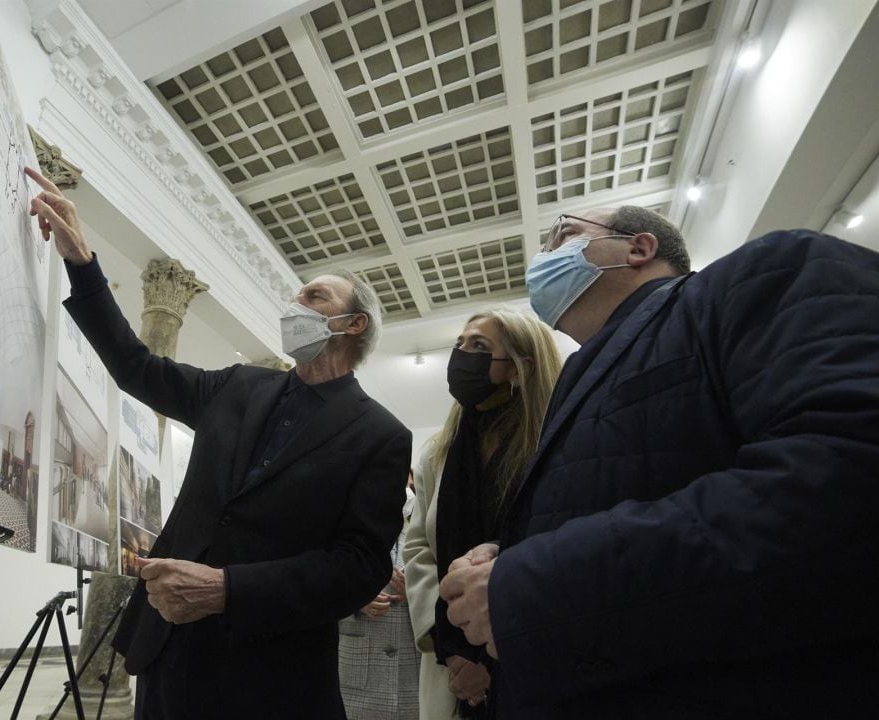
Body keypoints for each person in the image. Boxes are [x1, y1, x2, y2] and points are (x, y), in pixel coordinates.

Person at [440, 207, 879, 718]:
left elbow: (847, 477)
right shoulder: (583, 373)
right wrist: (515, 549)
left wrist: (532, 587)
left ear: (639, 248)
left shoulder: (764, 274)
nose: (543, 258)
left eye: (565, 236)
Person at [25, 166, 412, 719]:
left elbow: (358, 566)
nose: (294, 305)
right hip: (169, 649)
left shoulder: (380, 435)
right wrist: (83, 265)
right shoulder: (238, 386)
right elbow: (137, 367)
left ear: (353, 325)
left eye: (314, 296)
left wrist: (229, 588)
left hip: (270, 671)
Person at [405, 308, 561, 719]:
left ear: (519, 367)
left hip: (528, 646)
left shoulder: (554, 442)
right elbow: (420, 546)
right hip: (448, 656)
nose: (461, 355)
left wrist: (489, 655)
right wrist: (449, 645)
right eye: (459, 344)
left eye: (479, 346)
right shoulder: (438, 452)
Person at [338, 472, 420, 719]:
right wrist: (355, 598)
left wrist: (417, 590)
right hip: (357, 671)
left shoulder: (427, 517)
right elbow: (322, 584)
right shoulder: (345, 518)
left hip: (414, 667)